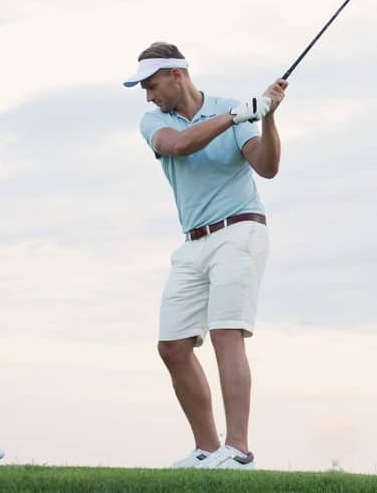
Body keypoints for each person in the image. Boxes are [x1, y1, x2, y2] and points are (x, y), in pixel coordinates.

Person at [123, 41, 287, 470]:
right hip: (193, 243)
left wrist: (267, 119)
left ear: (177, 75)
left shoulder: (235, 110)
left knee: (225, 333)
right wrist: (236, 116)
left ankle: (239, 450)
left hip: (240, 229)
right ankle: (208, 449)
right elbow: (178, 145)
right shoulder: (154, 122)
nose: (148, 95)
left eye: (152, 85)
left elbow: (266, 167)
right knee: (172, 346)